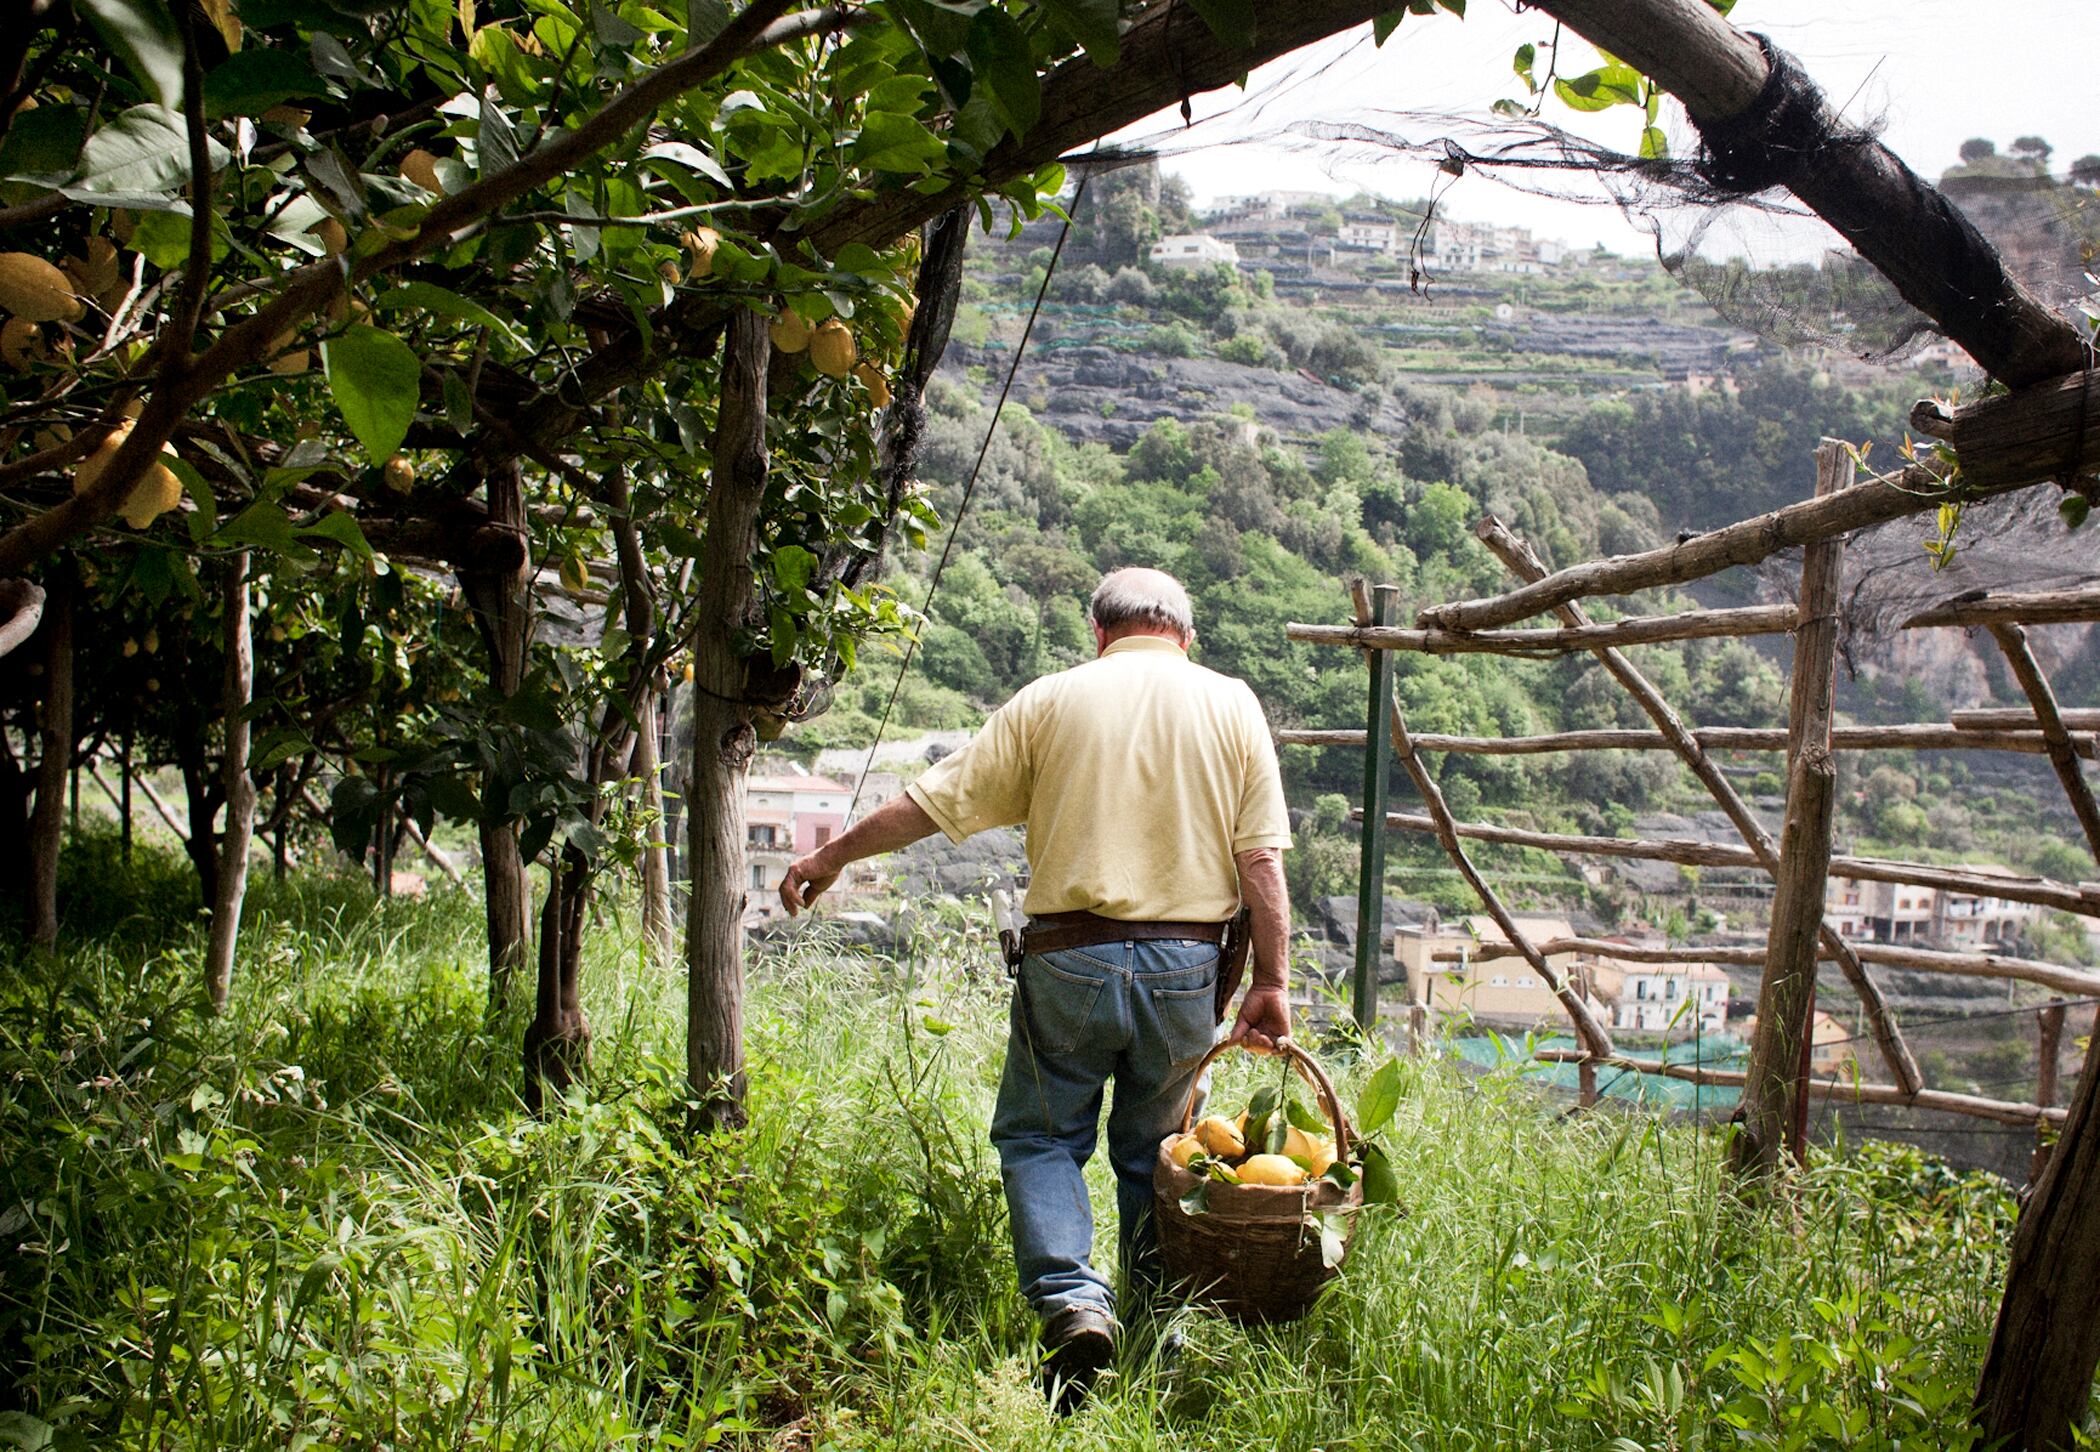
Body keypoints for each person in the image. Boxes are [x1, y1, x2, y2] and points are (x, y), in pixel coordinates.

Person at [778, 566, 1294, 1414]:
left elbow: (930, 802)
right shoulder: (1231, 702)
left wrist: (829, 857)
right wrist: (1270, 981)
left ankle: (1070, 1302)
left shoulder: (1052, 699)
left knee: (1042, 1137)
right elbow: (1261, 860)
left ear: (1099, 631)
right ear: (1185, 636)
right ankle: (1155, 1329)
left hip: (1069, 958)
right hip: (1185, 970)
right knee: (1152, 1154)